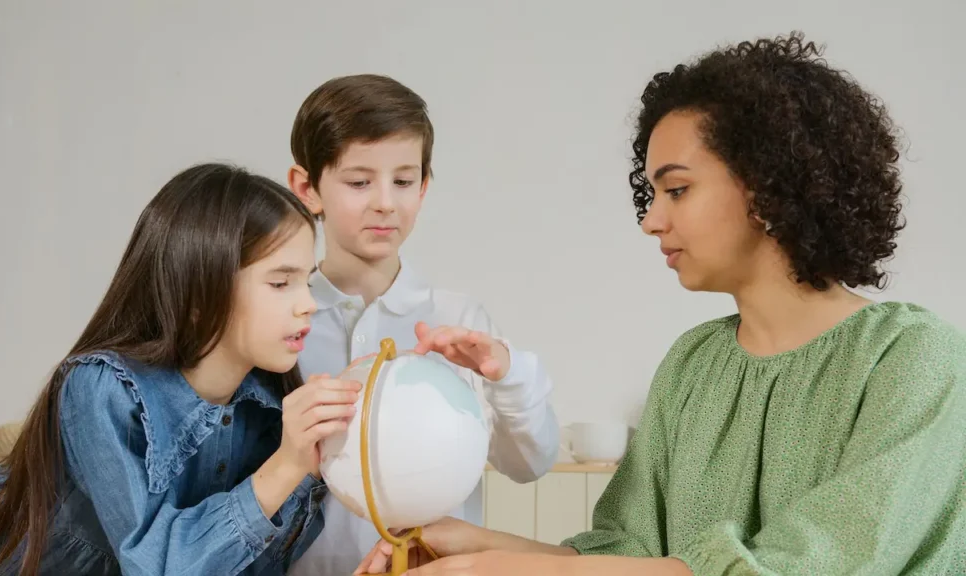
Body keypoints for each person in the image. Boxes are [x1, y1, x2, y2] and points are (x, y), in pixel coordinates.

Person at [355, 32, 966, 576]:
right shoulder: (695, 363)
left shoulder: (913, 358)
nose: (651, 220)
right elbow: (629, 554)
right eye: (652, 194)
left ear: (770, 186)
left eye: (677, 189)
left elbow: (804, 565)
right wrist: (475, 546)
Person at [0, 163, 361, 576]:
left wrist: (309, 464)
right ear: (199, 292)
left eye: (306, 282)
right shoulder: (102, 388)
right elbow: (156, 567)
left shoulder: (267, 407)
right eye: (281, 283)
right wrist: (285, 466)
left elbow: (255, 566)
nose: (308, 303)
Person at [283, 74, 561, 575]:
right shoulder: (283, 326)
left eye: (404, 181)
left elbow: (530, 464)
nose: (386, 202)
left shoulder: (460, 322)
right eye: (359, 181)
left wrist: (509, 375)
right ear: (308, 188)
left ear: (424, 186)